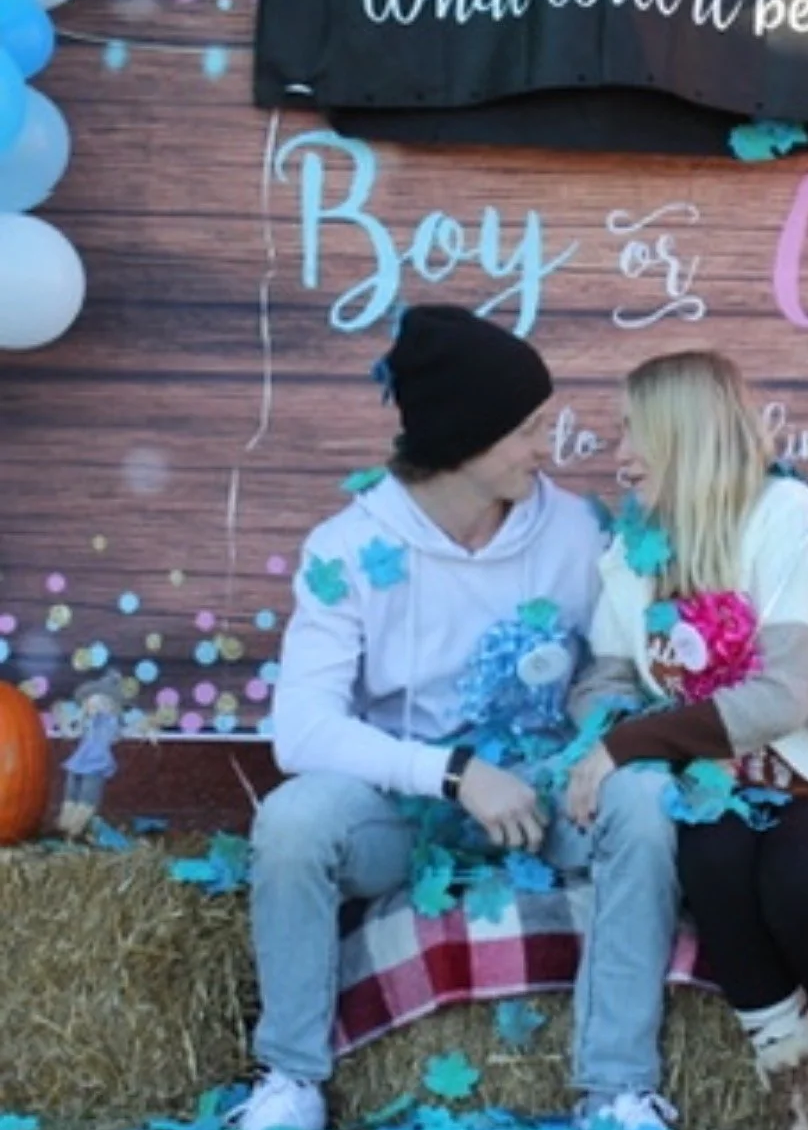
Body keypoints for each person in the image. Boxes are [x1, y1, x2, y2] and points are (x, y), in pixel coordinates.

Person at [238, 306, 680, 1130]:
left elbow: (626, 667)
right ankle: (291, 1081)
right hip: (406, 810)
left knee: (647, 801)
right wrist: (452, 774)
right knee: (295, 821)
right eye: (525, 430)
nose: (543, 448)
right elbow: (300, 732)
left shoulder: (581, 532)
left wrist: (603, 743)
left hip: (547, 799)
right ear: (461, 438)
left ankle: (615, 1089)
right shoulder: (347, 548)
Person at [565, 351, 808, 1130]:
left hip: (801, 783)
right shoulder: (628, 550)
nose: (620, 455)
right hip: (700, 788)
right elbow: (603, 680)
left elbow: (780, 697)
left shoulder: (787, 518)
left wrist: (623, 746)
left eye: (632, 432)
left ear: (684, 431)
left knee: (797, 885)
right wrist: (617, 729)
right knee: (713, 860)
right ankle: (796, 1082)